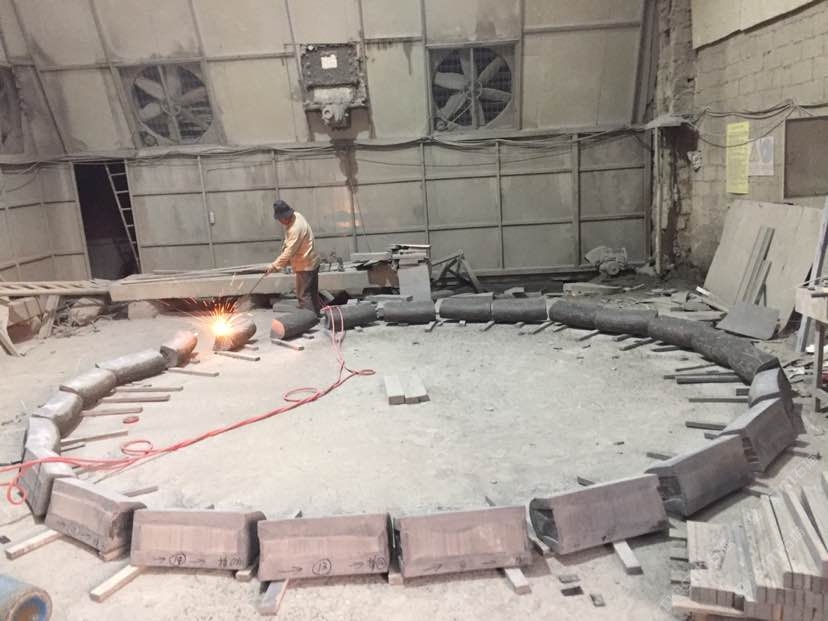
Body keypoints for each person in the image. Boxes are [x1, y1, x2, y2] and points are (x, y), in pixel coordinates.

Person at [266, 200, 322, 313]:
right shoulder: (297, 216)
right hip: (312, 261)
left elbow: (290, 251)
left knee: (303, 295)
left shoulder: (295, 228)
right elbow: (289, 243)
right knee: (312, 293)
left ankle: (308, 318)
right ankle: (316, 315)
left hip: (305, 265)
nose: (280, 222)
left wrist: (275, 266)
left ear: (284, 217)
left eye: (280, 219)